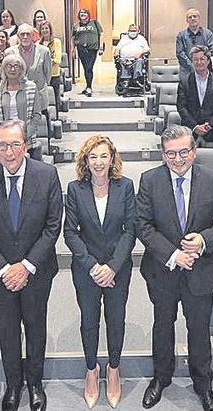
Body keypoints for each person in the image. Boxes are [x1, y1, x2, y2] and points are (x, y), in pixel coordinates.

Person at [136, 125, 213, 411]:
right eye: (170, 154)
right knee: (162, 326)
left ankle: (203, 384)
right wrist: (174, 255)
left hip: (201, 270)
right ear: (163, 154)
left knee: (199, 329)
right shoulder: (149, 180)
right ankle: (161, 378)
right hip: (163, 270)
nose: (177, 159)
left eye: (183, 152)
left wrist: (204, 240)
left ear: (194, 151)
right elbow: (143, 226)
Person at [0, 120, 63, 411]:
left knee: (35, 328)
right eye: (2, 145)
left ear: (26, 145)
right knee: (8, 332)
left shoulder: (46, 175)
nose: (9, 152)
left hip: (36, 272)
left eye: (15, 144)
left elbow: (52, 226)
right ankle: (13, 384)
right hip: (0, 275)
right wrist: (3, 268)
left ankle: (34, 383)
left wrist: (26, 266)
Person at [63, 136, 136, 408]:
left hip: (118, 269)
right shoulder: (74, 189)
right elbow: (70, 233)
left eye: (103, 156)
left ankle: (114, 369)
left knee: (116, 320)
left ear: (112, 158)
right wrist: (93, 266)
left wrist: (113, 267)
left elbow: (131, 230)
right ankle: (91, 370)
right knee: (90, 321)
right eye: (92, 157)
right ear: (85, 160)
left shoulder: (125, 186)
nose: (98, 162)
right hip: (86, 270)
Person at [176, 45, 213, 145]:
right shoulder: (184, 81)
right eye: (195, 59)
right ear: (192, 61)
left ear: (208, 61)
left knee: (211, 160)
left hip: (211, 131)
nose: (199, 62)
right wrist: (195, 127)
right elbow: (181, 107)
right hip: (190, 132)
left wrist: (209, 125)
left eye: (202, 59)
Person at [0, 53, 43, 143]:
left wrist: (25, 134)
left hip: (27, 139)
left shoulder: (31, 88)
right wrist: (4, 133)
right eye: (9, 66)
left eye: (16, 66)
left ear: (21, 69)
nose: (12, 69)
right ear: (4, 69)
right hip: (4, 138)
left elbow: (37, 115)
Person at [6, 23, 54, 93]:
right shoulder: (9, 52)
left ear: (33, 36)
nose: (25, 37)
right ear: (18, 36)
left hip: (39, 92)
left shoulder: (44, 51)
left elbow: (48, 73)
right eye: (22, 34)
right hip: (18, 93)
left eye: (28, 34)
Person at [72, 8, 104, 96]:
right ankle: (88, 86)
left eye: (85, 12)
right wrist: (73, 49)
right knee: (86, 68)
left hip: (92, 49)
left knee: (89, 67)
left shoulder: (94, 23)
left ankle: (89, 87)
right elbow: (73, 38)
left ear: (88, 14)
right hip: (81, 49)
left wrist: (101, 47)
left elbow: (101, 34)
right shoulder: (76, 25)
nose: (83, 14)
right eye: (81, 13)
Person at [176, 8, 213, 74]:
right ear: (187, 20)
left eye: (195, 16)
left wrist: (200, 64)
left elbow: (209, 51)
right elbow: (180, 54)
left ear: (199, 18)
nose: (192, 18)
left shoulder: (208, 34)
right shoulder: (181, 35)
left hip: (205, 71)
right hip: (187, 72)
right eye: (190, 17)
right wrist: (193, 65)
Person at [114, 23, 151, 91]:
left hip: (137, 58)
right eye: (131, 30)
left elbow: (148, 49)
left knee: (139, 61)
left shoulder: (141, 39)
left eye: (134, 30)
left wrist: (140, 53)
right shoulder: (124, 38)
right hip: (125, 58)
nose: (132, 32)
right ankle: (125, 80)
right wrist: (116, 54)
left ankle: (137, 79)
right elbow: (117, 49)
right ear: (128, 31)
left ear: (138, 31)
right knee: (122, 61)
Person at [38, 21, 63, 108]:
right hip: (42, 75)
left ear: (50, 30)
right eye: (42, 29)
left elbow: (57, 59)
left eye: (46, 28)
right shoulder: (37, 44)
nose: (44, 30)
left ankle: (56, 117)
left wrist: (45, 62)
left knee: (55, 98)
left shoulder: (56, 42)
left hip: (54, 74)